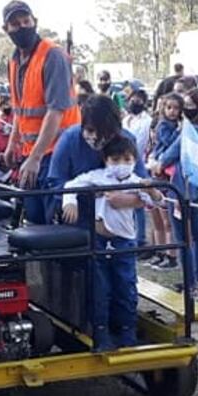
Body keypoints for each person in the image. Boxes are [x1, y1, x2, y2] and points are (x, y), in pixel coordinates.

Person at [60, 134, 163, 351]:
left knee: (125, 286)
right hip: (99, 240)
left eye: (127, 159)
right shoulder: (97, 177)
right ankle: (101, 333)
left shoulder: (136, 181)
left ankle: (127, 331)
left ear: (135, 159)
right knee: (99, 288)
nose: (121, 165)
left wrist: (151, 189)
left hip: (124, 241)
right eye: (115, 160)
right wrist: (70, 202)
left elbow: (158, 201)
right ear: (106, 160)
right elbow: (71, 184)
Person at [1, 0, 81, 223]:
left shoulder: (52, 55)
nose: (23, 26)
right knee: (34, 219)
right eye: (15, 24)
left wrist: (35, 157)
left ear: (35, 21)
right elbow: (20, 109)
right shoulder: (14, 61)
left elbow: (55, 110)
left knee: (55, 222)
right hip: (33, 152)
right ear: (6, 29)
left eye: (26, 21)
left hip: (58, 152)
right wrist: (12, 143)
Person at [48, 95, 148, 225]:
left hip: (119, 222)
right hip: (79, 220)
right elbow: (56, 182)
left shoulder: (127, 140)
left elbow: (145, 184)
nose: (95, 137)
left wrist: (128, 199)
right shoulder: (70, 139)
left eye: (103, 132)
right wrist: (77, 197)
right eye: (90, 130)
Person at [150, 89, 198, 288]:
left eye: (189, 105)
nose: (185, 109)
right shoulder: (192, 127)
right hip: (182, 185)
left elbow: (173, 150)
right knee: (192, 233)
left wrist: (159, 162)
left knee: (188, 234)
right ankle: (194, 277)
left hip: (184, 188)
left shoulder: (195, 130)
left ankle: (194, 278)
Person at [146, 93, 183, 270]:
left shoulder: (176, 125)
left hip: (167, 172)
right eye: (169, 107)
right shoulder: (165, 126)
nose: (172, 112)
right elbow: (168, 143)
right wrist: (178, 132)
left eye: (176, 108)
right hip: (160, 168)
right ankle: (161, 251)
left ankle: (170, 254)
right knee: (160, 217)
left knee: (167, 219)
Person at [123, 89, 153, 256]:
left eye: (139, 100)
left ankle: (140, 239)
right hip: (124, 162)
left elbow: (140, 142)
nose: (135, 102)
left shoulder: (147, 121)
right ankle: (132, 236)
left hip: (137, 161)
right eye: (132, 99)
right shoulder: (126, 120)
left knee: (140, 202)